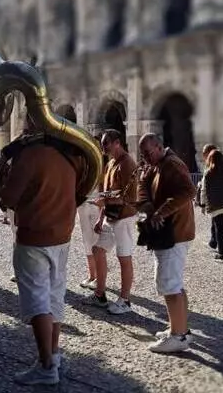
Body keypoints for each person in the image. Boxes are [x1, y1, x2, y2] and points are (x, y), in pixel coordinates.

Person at [0, 115, 88, 385]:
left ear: (36, 127)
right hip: (62, 236)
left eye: (26, 125)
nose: (23, 130)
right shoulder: (73, 156)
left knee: (37, 301)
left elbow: (8, 199)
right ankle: (53, 354)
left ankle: (46, 365)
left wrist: (3, 164)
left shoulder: (31, 155)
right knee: (55, 296)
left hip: (34, 236)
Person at [137, 133, 196, 353]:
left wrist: (161, 212)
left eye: (147, 153)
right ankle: (180, 327)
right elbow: (144, 185)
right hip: (169, 233)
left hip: (174, 233)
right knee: (174, 283)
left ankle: (178, 336)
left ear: (159, 147)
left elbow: (188, 191)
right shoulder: (158, 164)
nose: (145, 158)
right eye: (142, 155)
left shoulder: (171, 164)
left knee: (168, 283)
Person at [83, 129, 137, 314]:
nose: (103, 147)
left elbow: (130, 197)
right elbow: (107, 192)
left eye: (106, 143)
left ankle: (125, 300)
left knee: (124, 258)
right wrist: (100, 217)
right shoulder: (111, 163)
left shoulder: (127, 164)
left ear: (117, 143)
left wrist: (104, 202)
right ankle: (100, 295)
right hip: (111, 216)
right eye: (102, 144)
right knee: (98, 250)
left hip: (124, 217)